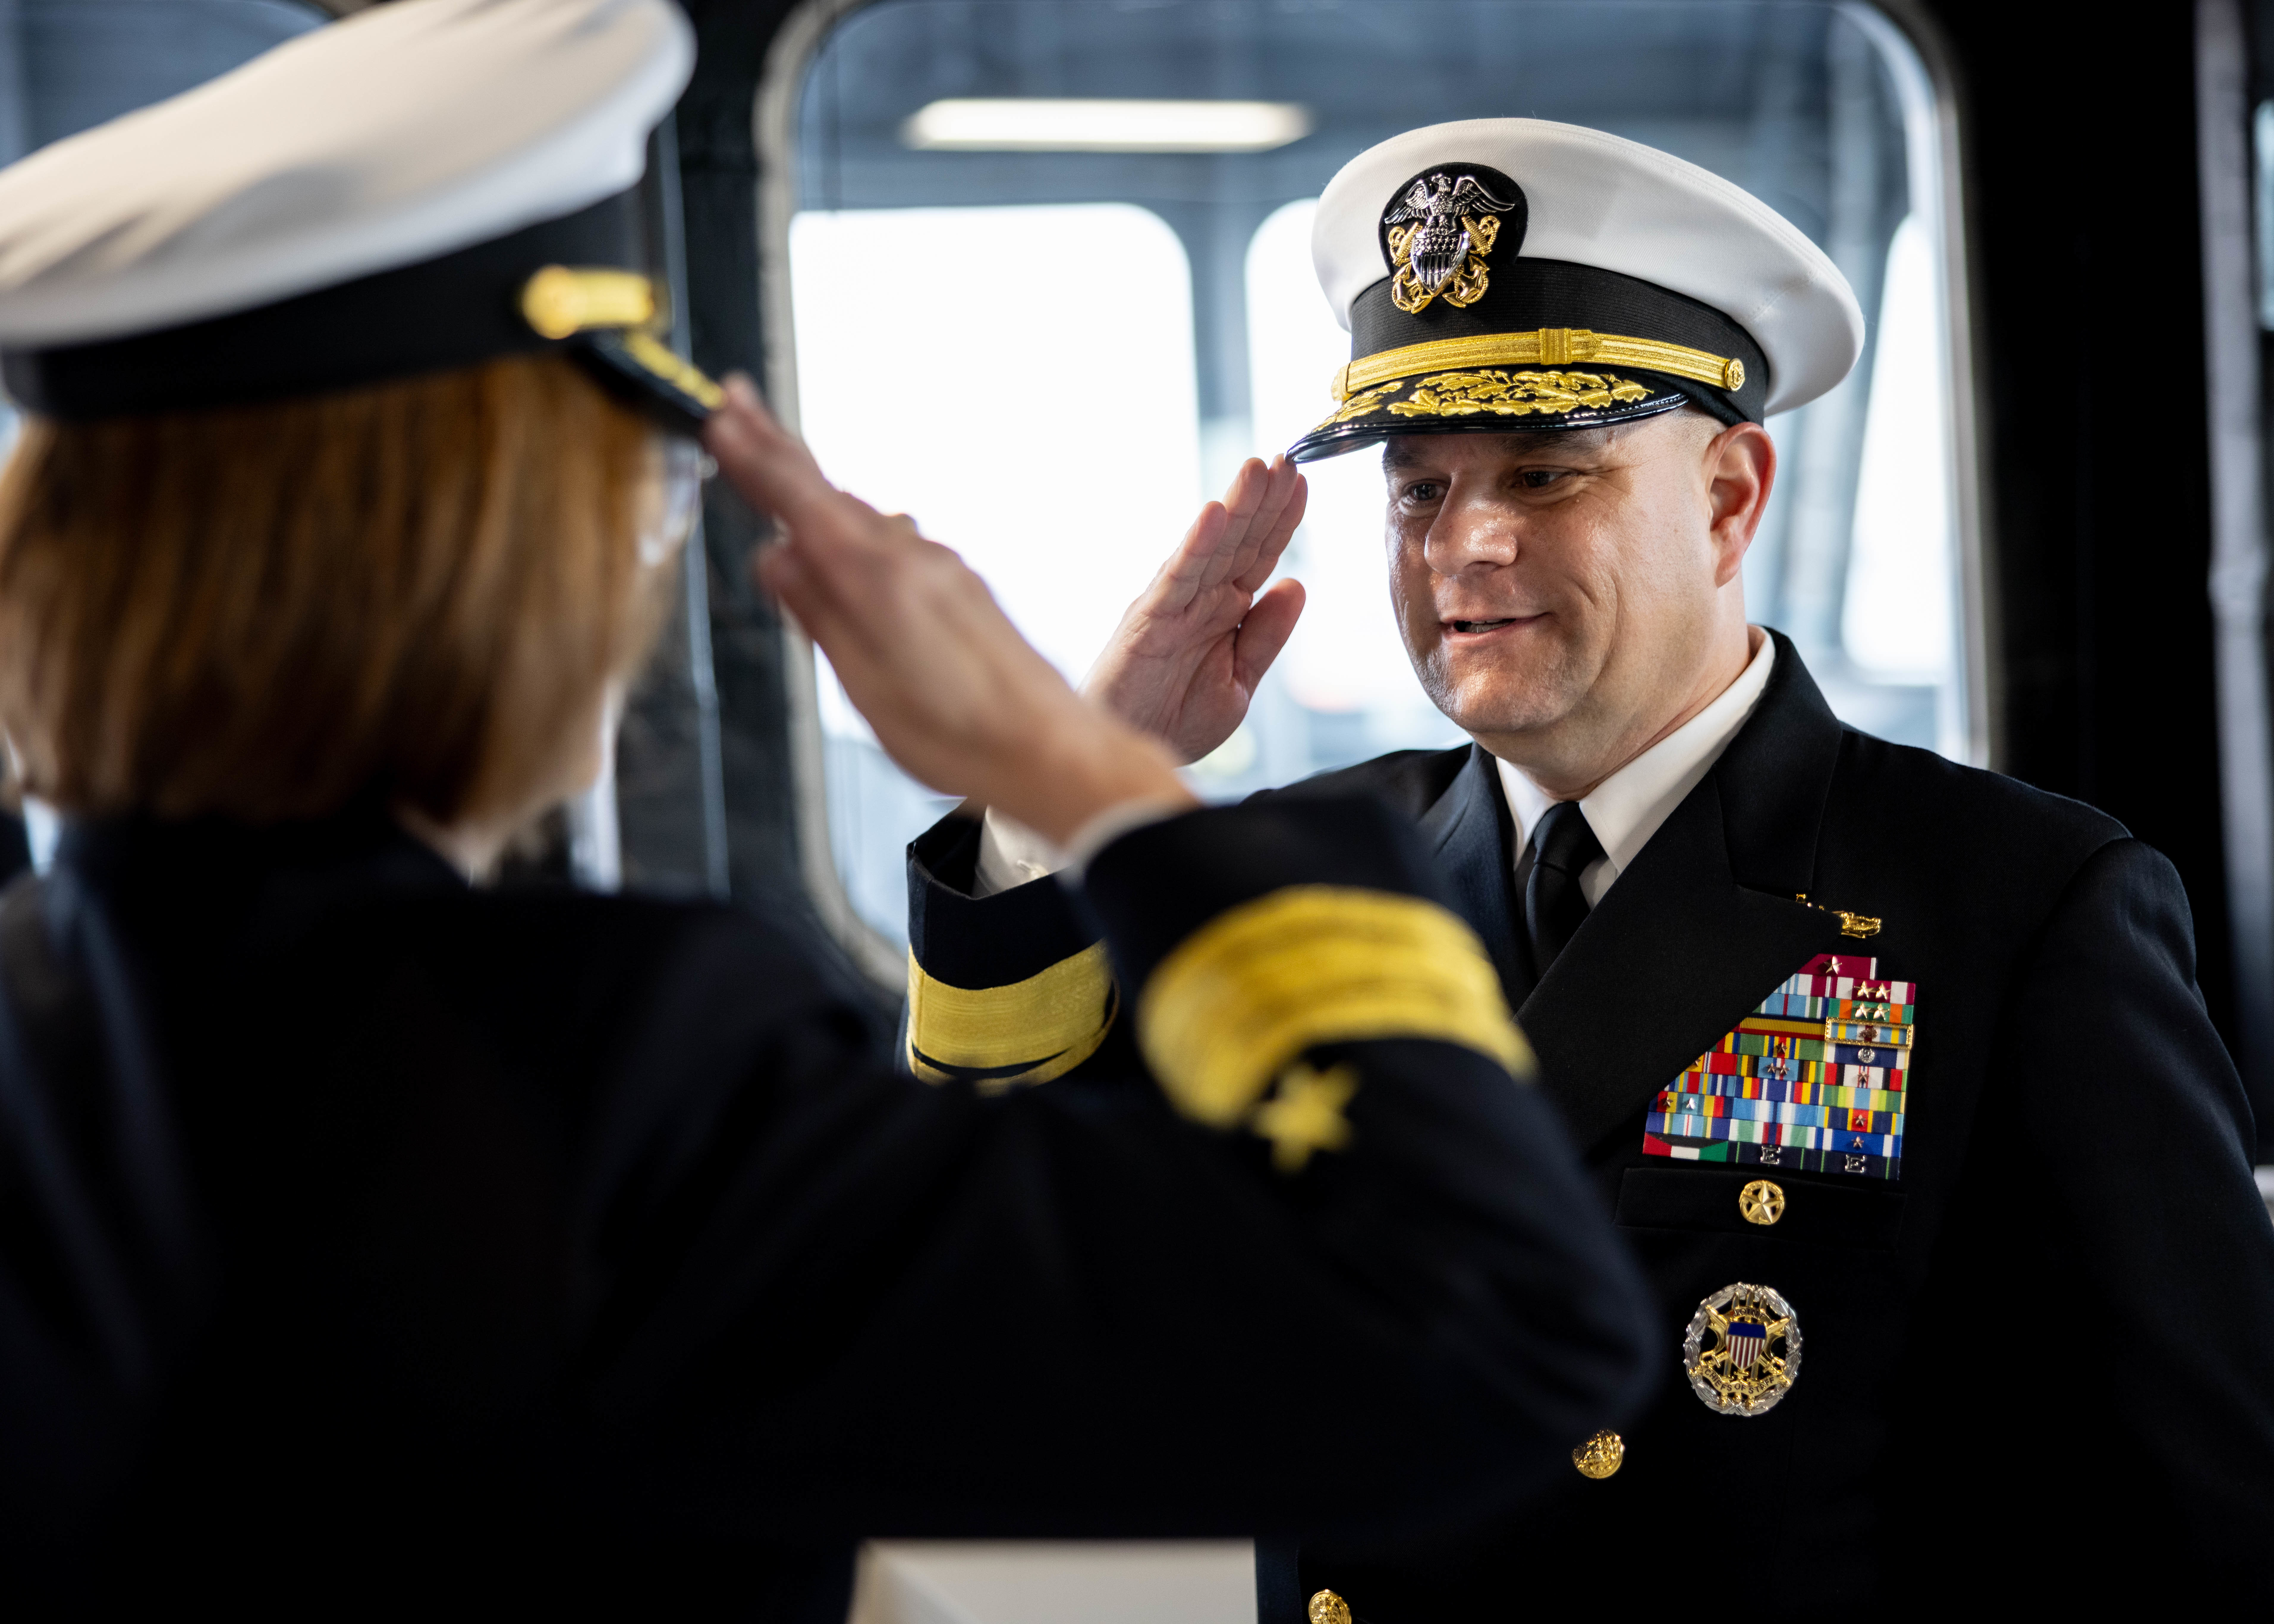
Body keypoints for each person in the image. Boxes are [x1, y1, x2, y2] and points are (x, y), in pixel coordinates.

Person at [0, 13, 1659, 1612]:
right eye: (627, 502)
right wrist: (1077, 775)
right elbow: (1497, 1325)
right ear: (484, 563)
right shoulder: (600, 1075)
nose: (641, 567)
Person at [910, 119, 2274, 1611]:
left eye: (1547, 473)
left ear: (1730, 496)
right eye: (1418, 489)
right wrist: (1064, 798)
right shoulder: (1291, 879)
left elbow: (2197, 1520)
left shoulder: (2014, 906)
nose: (1464, 545)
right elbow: (994, 1271)